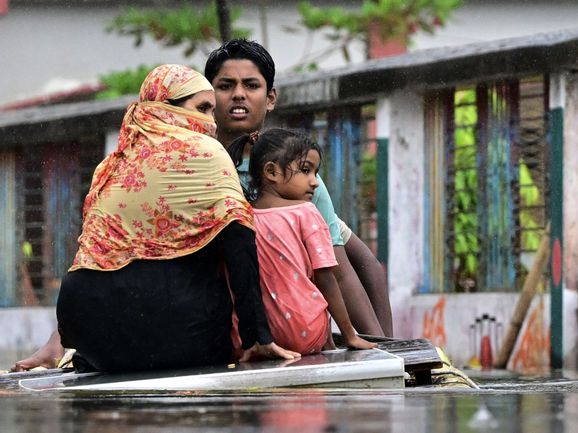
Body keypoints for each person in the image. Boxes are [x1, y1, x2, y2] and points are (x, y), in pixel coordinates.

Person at [37, 64, 299, 373]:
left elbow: (90, 259)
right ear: (164, 107)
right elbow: (239, 243)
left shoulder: (110, 166)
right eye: (202, 108)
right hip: (176, 329)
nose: (210, 122)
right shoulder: (205, 151)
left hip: (92, 335)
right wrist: (256, 338)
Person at [205, 39, 393, 337]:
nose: (238, 94)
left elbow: (338, 270)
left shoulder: (291, 172)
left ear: (270, 98)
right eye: (226, 86)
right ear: (209, 97)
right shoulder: (194, 165)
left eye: (251, 86)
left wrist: (385, 354)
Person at [234, 129, 377, 354]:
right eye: (305, 170)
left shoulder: (242, 217)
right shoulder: (306, 213)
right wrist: (349, 334)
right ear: (271, 172)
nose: (315, 182)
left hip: (256, 336)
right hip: (304, 330)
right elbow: (326, 278)